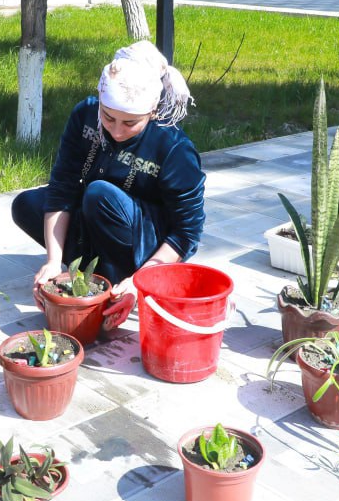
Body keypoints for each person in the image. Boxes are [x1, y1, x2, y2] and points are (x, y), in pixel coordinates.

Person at [12, 40, 206, 329]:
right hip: (96, 218)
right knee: (26, 206)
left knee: (99, 194)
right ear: (99, 102)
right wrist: (53, 263)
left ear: (152, 111)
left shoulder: (174, 147)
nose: (116, 131)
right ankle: (99, 270)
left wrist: (142, 281)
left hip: (146, 241)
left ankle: (120, 279)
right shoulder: (84, 115)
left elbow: (186, 233)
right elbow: (62, 187)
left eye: (130, 123)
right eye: (108, 117)